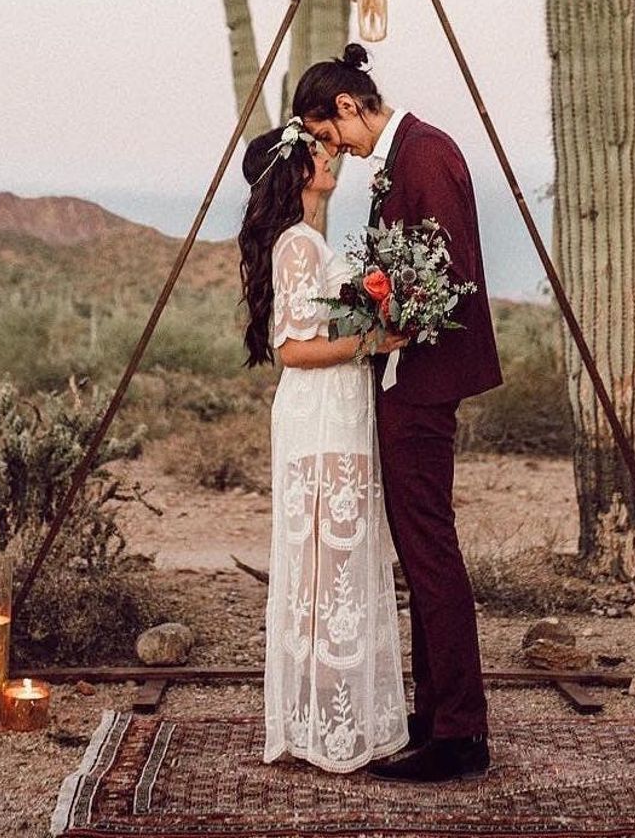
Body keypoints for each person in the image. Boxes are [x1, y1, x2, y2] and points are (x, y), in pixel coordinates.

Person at [292, 43, 503, 784]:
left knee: (430, 553)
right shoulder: (403, 156)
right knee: (420, 552)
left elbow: (447, 278)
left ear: (347, 107)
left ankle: (461, 734)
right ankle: (433, 714)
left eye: (327, 135)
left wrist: (391, 325)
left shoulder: (424, 154)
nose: (331, 149)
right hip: (403, 378)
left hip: (422, 383)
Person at [239, 119, 409, 774]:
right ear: (295, 170)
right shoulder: (297, 247)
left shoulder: (310, 241)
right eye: (318, 150)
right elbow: (292, 349)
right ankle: (323, 727)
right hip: (318, 417)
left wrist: (384, 311)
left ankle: (334, 717)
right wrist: (377, 342)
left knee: (335, 564)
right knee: (324, 563)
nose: (331, 154)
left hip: (339, 411)